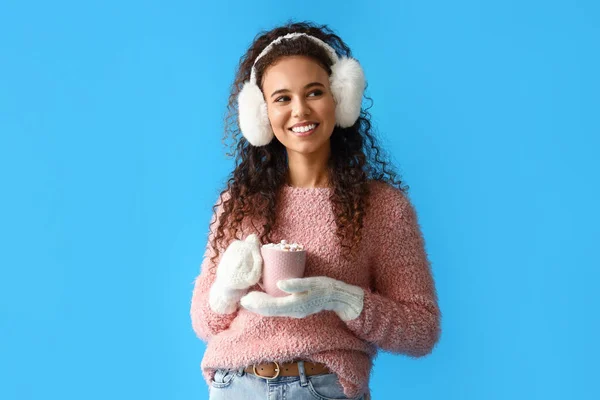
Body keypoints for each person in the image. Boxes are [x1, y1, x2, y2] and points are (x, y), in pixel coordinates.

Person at [190, 21, 442, 400]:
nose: (300, 110)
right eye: (282, 98)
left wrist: (342, 299)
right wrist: (226, 287)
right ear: (261, 115)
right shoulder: (239, 204)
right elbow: (205, 324)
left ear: (340, 97)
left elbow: (421, 330)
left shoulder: (384, 209)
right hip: (235, 385)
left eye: (314, 92)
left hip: (323, 387)